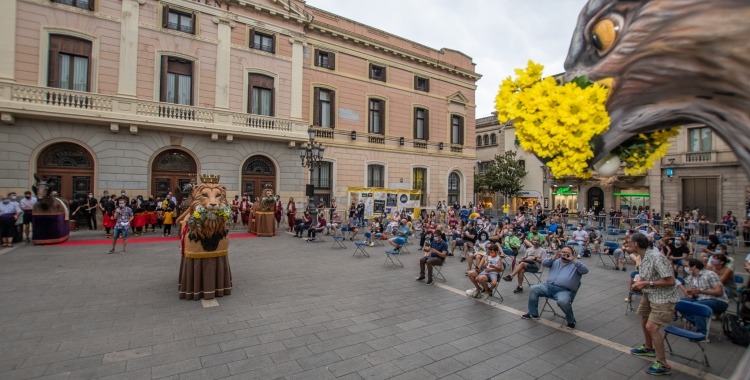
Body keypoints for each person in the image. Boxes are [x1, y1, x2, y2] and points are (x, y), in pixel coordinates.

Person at [628, 233, 679, 376]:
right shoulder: (642, 257)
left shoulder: (656, 257)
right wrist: (639, 284)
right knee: (644, 320)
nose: (628, 244)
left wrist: (646, 283)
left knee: (652, 327)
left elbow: (670, 281)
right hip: (650, 293)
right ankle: (649, 348)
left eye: (630, 242)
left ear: (636, 244)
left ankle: (663, 364)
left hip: (663, 297)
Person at [523, 245, 588, 329]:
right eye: (563, 252)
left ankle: (571, 320)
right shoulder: (556, 261)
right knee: (533, 289)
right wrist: (553, 258)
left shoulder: (575, 265)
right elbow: (544, 263)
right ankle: (533, 313)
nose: (564, 254)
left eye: (567, 253)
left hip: (564, 290)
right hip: (548, 286)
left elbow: (585, 270)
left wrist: (574, 260)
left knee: (563, 302)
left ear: (572, 254)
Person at [678, 259, 729, 335]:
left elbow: (719, 291)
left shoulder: (710, 274)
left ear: (694, 267)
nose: (686, 269)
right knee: (678, 302)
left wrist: (701, 291)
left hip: (718, 301)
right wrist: (692, 293)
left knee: (698, 306)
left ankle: (702, 333)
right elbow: (696, 295)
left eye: (687, 266)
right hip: (700, 299)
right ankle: (698, 323)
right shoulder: (690, 278)